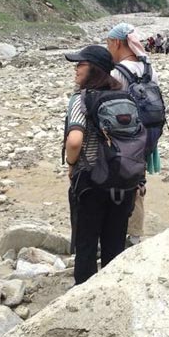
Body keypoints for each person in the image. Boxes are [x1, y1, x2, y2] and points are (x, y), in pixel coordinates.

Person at [64, 45, 136, 284]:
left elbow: (74, 141)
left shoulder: (81, 99)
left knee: (86, 245)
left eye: (80, 65)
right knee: (114, 245)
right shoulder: (125, 97)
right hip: (124, 182)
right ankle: (111, 292)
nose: (75, 70)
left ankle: (85, 295)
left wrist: (71, 163)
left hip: (90, 182)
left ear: (93, 70)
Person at [106, 23, 162, 247]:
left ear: (117, 43)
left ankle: (120, 232)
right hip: (150, 133)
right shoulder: (149, 68)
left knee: (121, 184)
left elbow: (114, 107)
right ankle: (136, 235)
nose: (108, 48)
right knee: (139, 181)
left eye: (108, 43)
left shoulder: (118, 72)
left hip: (127, 137)